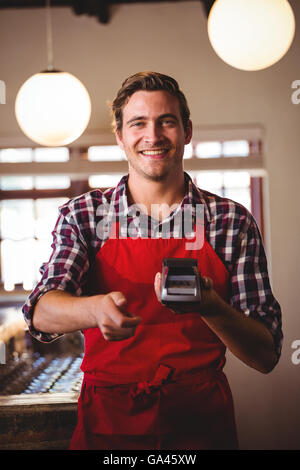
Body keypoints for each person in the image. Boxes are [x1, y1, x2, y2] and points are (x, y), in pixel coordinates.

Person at [22, 71, 283, 450]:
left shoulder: (231, 221)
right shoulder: (84, 216)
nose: (153, 135)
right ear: (120, 136)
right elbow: (40, 312)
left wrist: (210, 307)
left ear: (187, 130)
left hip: (201, 429)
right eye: (138, 123)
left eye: (167, 121)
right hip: (107, 428)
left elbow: (266, 353)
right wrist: (95, 310)